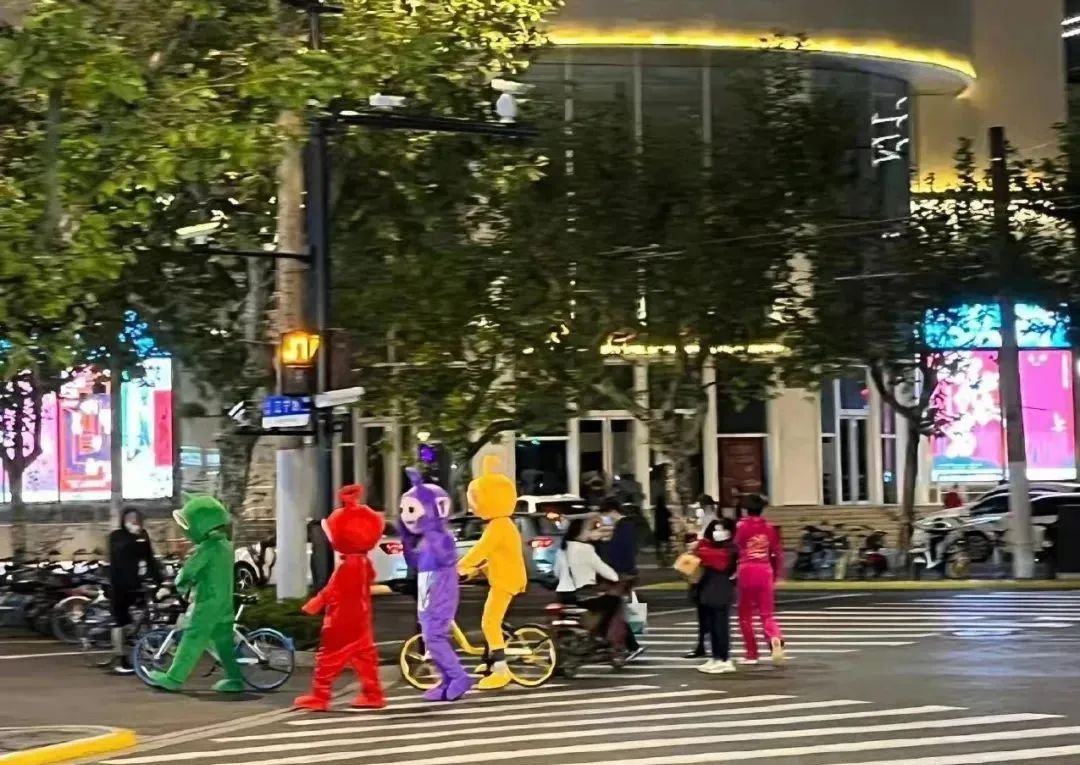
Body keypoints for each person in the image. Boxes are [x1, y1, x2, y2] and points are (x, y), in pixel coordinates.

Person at [294, 485, 386, 711]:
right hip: (361, 617)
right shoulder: (363, 561)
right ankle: (373, 693)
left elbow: (333, 590)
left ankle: (320, 695)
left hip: (342, 619)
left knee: (328, 657)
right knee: (365, 657)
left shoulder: (348, 565)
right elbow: (368, 581)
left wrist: (315, 603)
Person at [147, 495, 246, 692]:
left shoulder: (206, 549)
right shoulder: (227, 546)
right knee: (223, 643)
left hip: (208, 602)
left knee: (192, 638)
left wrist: (179, 585)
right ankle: (235, 679)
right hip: (225, 602)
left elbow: (188, 572)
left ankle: (174, 678)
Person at [397, 469, 472, 702]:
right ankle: (447, 680)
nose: (406, 516)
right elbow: (415, 562)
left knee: (434, 637)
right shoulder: (425, 540)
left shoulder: (443, 537)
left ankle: (458, 677)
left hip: (441, 592)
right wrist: (406, 540)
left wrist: (429, 526)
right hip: (426, 591)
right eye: (403, 510)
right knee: (431, 638)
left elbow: (446, 557)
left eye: (412, 510)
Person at [457, 456, 527, 690]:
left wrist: (460, 566)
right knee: (492, 619)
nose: (473, 506)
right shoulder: (501, 524)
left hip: (505, 581)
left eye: (475, 500)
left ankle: (501, 670)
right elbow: (492, 556)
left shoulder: (499, 526)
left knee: (489, 622)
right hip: (501, 576)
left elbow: (480, 550)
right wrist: (474, 571)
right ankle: (489, 660)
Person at [554, 517, 625, 649]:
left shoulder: (562, 549)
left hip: (564, 595)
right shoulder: (586, 548)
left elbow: (556, 572)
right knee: (614, 601)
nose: (590, 532)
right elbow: (606, 571)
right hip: (582, 595)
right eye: (588, 529)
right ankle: (600, 634)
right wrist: (615, 577)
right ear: (579, 532)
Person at [108, 506, 161, 674]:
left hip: (137, 583)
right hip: (119, 584)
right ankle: (118, 659)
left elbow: (149, 557)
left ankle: (139, 651)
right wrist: (133, 537)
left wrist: (159, 578)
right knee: (120, 620)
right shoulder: (117, 536)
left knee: (143, 616)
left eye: (136, 518)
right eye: (130, 518)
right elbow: (119, 554)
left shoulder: (142, 535)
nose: (133, 521)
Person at [734, 493, 785, 665]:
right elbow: (777, 552)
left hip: (747, 570)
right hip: (765, 570)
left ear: (746, 509)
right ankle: (775, 637)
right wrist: (778, 574)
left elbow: (736, 546)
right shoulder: (770, 528)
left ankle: (752, 653)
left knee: (745, 615)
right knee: (766, 614)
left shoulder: (741, 526)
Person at [596, 497, 644, 659]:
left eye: (605, 514)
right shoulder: (622, 526)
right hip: (622, 573)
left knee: (614, 609)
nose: (605, 518)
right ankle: (630, 645)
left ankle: (622, 644)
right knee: (616, 610)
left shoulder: (624, 526)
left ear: (612, 511)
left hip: (622, 574)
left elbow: (622, 553)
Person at [693, 518, 738, 674]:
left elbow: (720, 561)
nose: (718, 533)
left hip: (721, 589)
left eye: (721, 529)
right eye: (715, 529)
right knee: (712, 626)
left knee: (720, 626)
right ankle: (715, 657)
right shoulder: (711, 546)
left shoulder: (731, 549)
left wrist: (701, 552)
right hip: (708, 589)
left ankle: (725, 659)